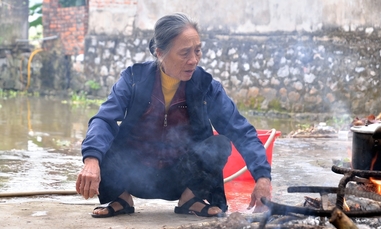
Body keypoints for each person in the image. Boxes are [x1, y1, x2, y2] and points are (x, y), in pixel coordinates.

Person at [75, 12, 272, 218]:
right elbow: (104, 119)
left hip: (181, 178)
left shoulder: (205, 86)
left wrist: (262, 178)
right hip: (135, 175)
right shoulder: (133, 79)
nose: (193, 60)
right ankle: (121, 198)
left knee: (219, 144)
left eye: (197, 51)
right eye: (185, 53)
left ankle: (190, 199)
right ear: (160, 53)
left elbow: (240, 130)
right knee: (101, 138)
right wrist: (91, 161)